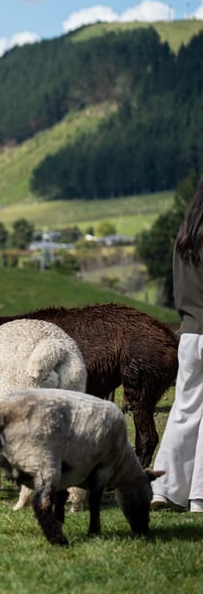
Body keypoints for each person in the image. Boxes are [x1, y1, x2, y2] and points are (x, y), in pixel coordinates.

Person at [152, 177, 203, 513]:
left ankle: (163, 489)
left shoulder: (184, 239)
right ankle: (199, 497)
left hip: (188, 333)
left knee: (184, 411)